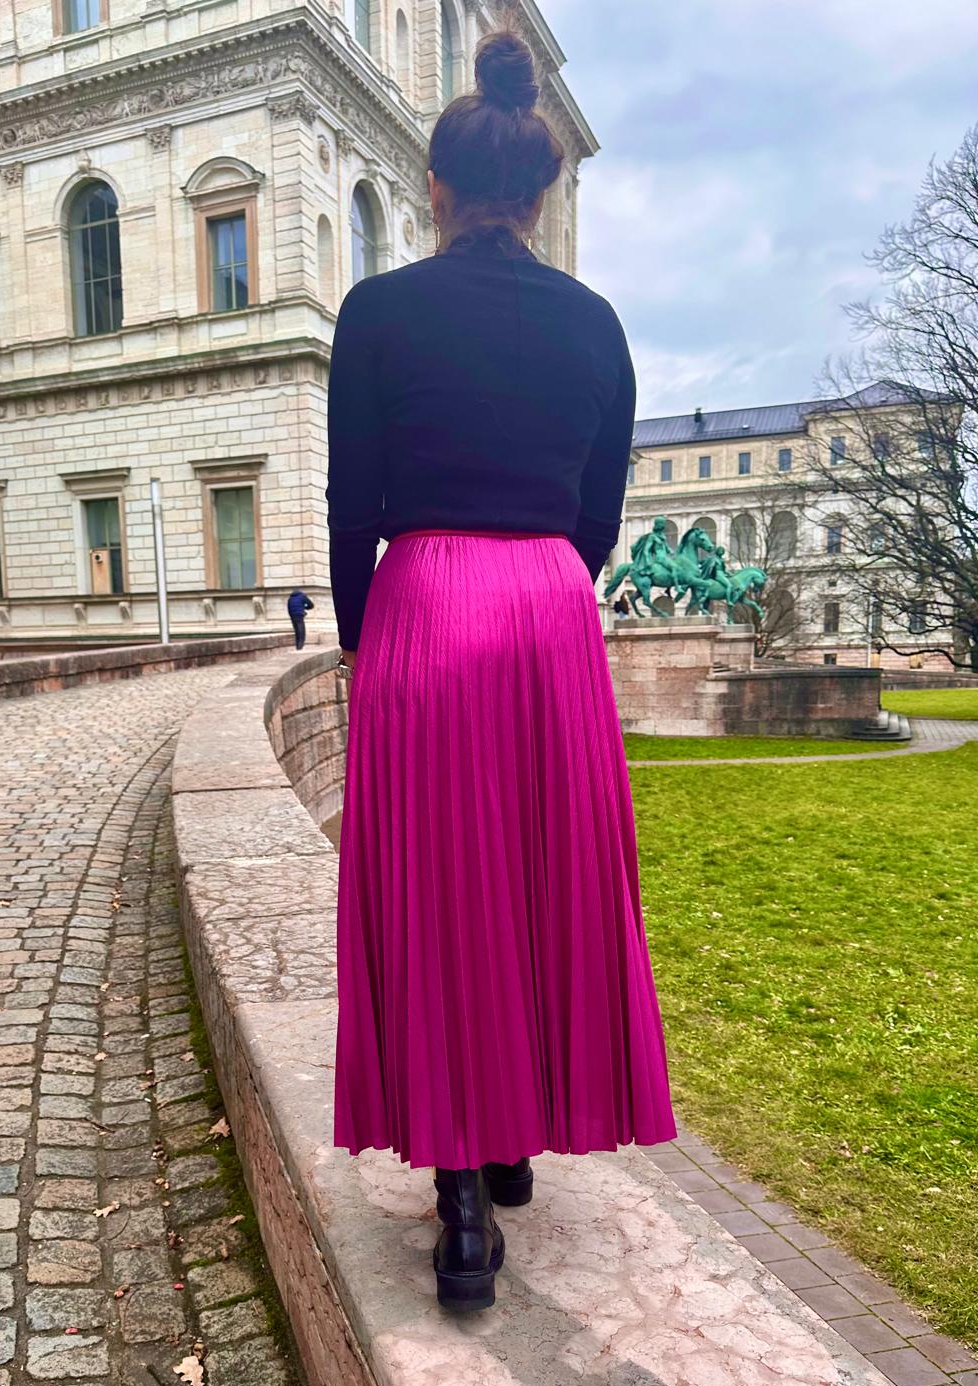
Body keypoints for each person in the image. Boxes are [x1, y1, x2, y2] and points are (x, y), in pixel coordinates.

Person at [326, 29, 676, 1313]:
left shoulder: (378, 312)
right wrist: (542, 587)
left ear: (435, 187)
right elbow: (599, 515)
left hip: (424, 600)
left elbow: (350, 503)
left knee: (439, 891)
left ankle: (463, 1203)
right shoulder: (595, 324)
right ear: (537, 191)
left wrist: (366, 636)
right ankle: (515, 1138)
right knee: (537, 878)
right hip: (548, 614)